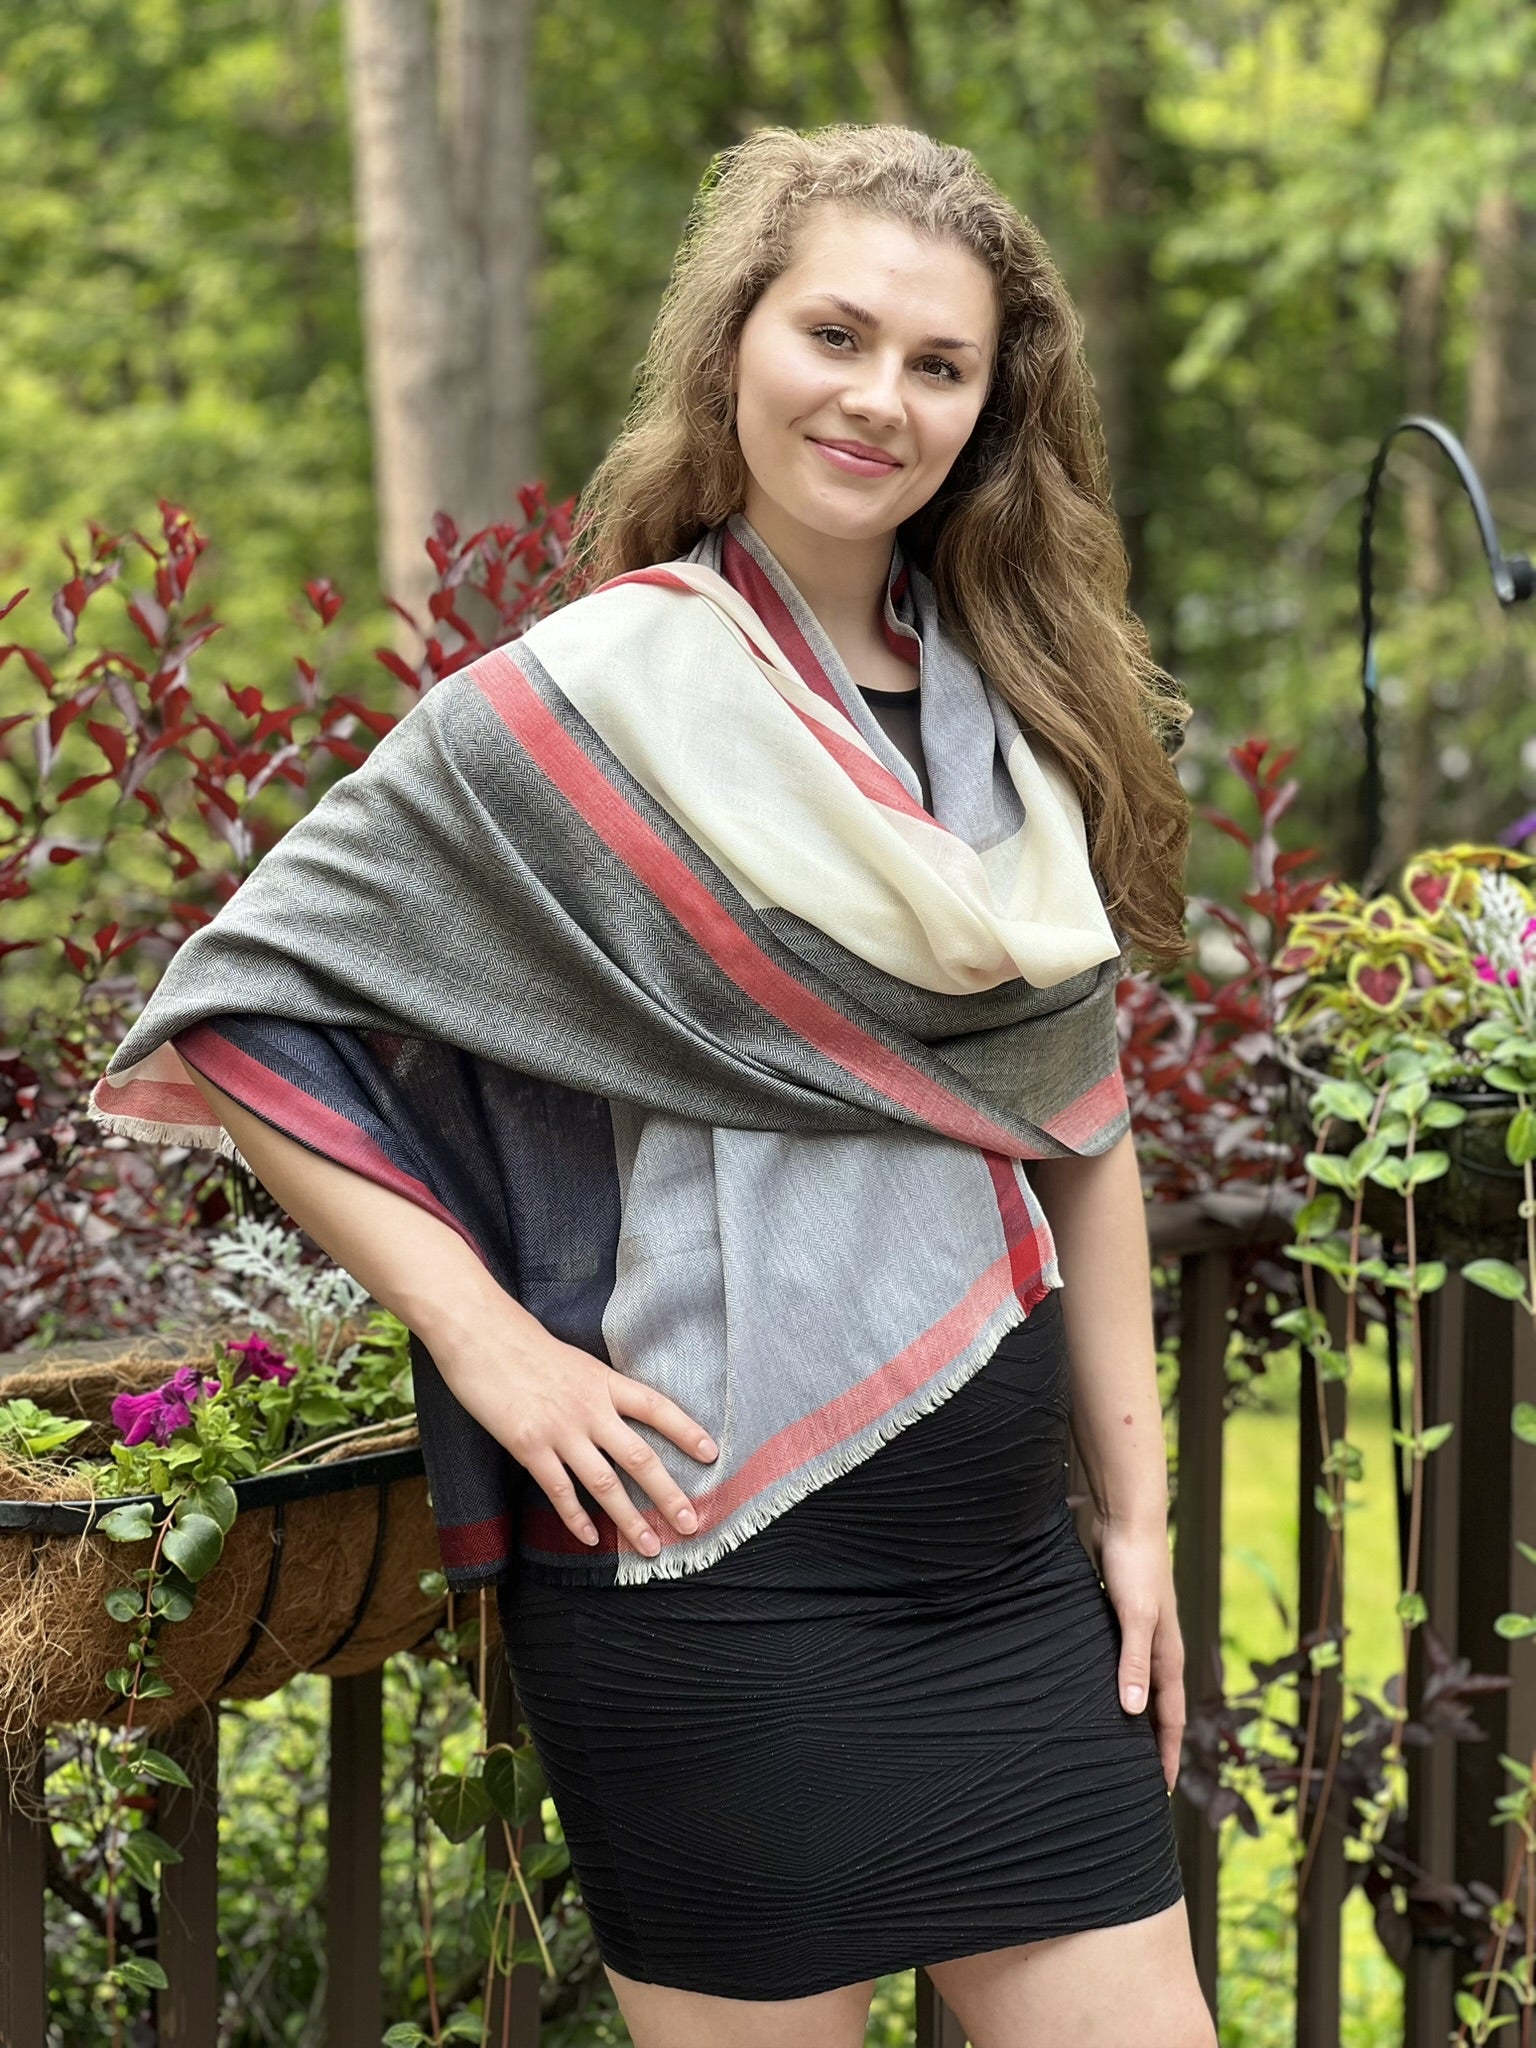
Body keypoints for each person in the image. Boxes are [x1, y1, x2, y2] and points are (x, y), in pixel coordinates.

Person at [92, 124, 1210, 2048]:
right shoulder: (580, 707)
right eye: (835, 335)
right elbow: (244, 1006)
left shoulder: (1010, 720)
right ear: (736, 344)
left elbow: (1081, 1132)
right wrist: (492, 1349)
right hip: (709, 1590)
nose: (879, 398)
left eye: (939, 365)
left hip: (1013, 1590)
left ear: (990, 412)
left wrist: (1140, 1521)